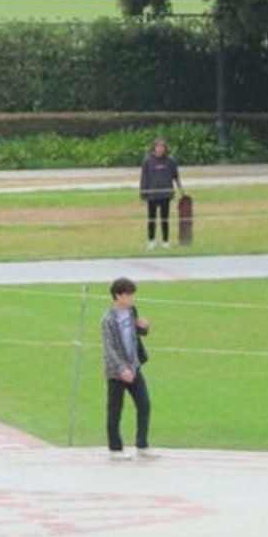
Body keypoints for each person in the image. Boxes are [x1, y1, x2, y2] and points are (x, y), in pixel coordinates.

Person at [102, 275, 153, 457]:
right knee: (115, 410)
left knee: (144, 404)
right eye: (129, 295)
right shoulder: (108, 319)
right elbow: (110, 347)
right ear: (118, 295)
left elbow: (136, 334)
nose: (132, 298)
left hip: (134, 367)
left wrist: (144, 327)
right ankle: (115, 448)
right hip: (117, 372)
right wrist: (122, 368)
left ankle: (142, 445)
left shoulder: (132, 311)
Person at [138, 135, 182, 247]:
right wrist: (143, 194)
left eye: (163, 146)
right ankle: (151, 241)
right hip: (152, 195)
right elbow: (144, 178)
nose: (161, 149)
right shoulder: (147, 161)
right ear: (154, 148)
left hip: (165, 194)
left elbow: (176, 177)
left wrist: (181, 191)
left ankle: (165, 241)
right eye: (158, 146)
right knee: (151, 219)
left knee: (165, 219)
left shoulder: (170, 161)